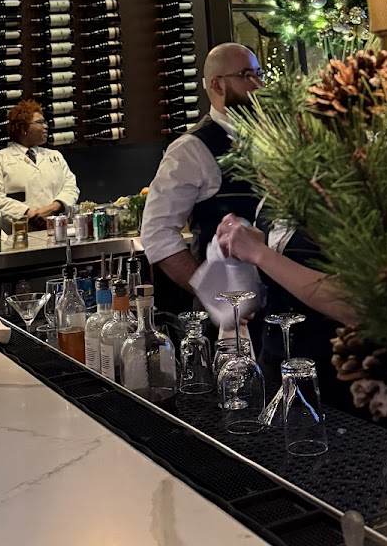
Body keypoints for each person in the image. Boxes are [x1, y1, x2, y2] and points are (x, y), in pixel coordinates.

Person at [141, 43, 265, 298]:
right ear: (218, 85)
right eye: (246, 75)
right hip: (233, 315)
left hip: (284, 301)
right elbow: (157, 232)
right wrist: (211, 295)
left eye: (258, 74)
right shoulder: (190, 149)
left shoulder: (270, 138)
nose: (258, 85)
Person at [216, 212, 356, 406]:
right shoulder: (269, 203)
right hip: (273, 364)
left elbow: (355, 306)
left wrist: (259, 252)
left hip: (341, 378)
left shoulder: (352, 203)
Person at [0, 99, 79, 233]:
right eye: (40, 123)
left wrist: (54, 207)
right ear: (23, 128)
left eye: (45, 122)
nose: (46, 126)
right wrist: (30, 213)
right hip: (18, 236)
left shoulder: (55, 156)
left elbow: (71, 187)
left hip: (57, 230)